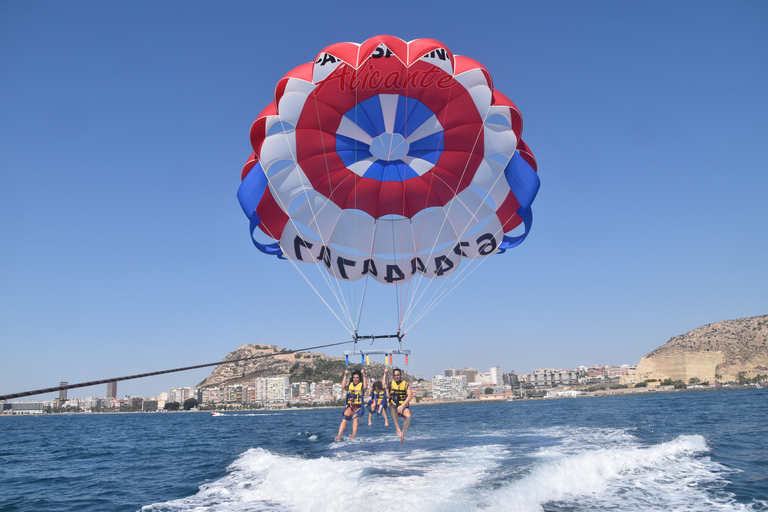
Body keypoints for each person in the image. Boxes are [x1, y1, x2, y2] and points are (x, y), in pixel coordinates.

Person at [335, 367, 367, 441]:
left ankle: (353, 434)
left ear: (359, 379)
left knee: (355, 418)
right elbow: (343, 387)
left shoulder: (361, 386)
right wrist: (345, 375)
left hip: (358, 408)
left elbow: (365, 386)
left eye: (357, 378)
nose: (355, 379)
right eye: (354, 377)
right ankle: (339, 436)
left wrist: (364, 375)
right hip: (350, 407)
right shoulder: (350, 385)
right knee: (344, 419)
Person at [385, 367, 413, 445]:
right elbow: (384, 385)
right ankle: (398, 428)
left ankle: (402, 434)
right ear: (393, 376)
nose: (396, 377)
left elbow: (410, 396)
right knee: (391, 407)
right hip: (394, 405)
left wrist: (402, 405)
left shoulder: (406, 384)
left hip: (402, 405)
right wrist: (385, 374)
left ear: (400, 375)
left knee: (409, 417)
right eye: (395, 375)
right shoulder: (391, 384)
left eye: (398, 375)